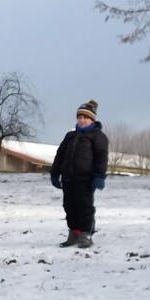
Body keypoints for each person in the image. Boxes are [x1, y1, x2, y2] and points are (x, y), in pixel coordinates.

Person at [51, 99, 109, 248]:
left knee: (84, 207)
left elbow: (101, 158)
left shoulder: (98, 137)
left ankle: (86, 234)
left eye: (85, 118)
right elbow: (60, 155)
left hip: (86, 179)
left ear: (92, 119)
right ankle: (74, 233)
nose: (82, 120)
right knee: (69, 206)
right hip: (68, 178)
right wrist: (55, 173)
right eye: (79, 117)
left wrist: (99, 176)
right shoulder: (70, 136)